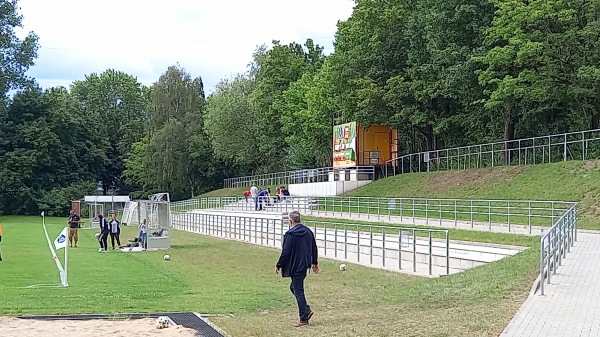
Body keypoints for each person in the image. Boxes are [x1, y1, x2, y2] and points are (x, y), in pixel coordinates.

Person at [275, 211, 319, 327]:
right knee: (293, 287)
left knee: (298, 290)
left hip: (294, 266)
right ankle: (306, 309)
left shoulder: (290, 234)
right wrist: (314, 262)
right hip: (304, 265)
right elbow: (314, 247)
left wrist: (279, 264)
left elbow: (285, 252)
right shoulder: (308, 232)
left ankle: (304, 319)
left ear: (290, 221)